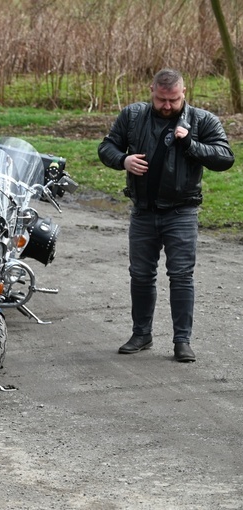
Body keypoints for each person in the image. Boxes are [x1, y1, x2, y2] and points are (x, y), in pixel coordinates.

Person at [98, 68, 234, 363]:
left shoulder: (201, 120)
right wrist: (123, 160)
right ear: (152, 91)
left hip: (181, 211)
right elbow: (106, 147)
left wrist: (190, 143)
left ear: (184, 92)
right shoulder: (133, 116)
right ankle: (141, 334)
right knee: (141, 275)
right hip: (143, 211)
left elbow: (225, 157)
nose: (167, 106)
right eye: (161, 99)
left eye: (173, 99)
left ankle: (182, 341)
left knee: (182, 276)